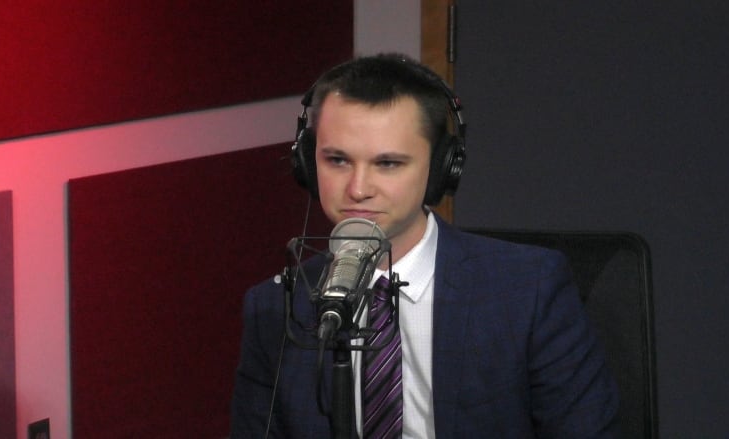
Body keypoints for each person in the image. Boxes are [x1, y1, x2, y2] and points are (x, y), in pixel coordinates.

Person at [230, 53, 619, 438]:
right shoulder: (275, 308)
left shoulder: (528, 291)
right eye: (337, 160)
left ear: (439, 169)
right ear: (306, 162)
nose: (358, 189)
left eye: (388, 164)